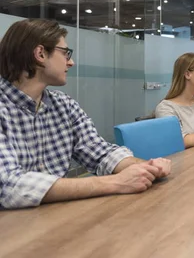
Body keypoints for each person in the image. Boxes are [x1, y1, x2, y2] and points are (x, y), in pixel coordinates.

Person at [0, 19, 171, 210]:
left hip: (52, 218)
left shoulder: (63, 105)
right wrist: (115, 182)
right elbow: (8, 185)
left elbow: (98, 152)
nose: (71, 62)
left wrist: (144, 168)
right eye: (65, 53)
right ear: (40, 54)